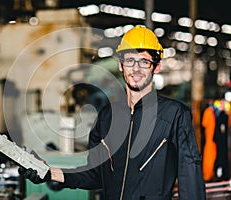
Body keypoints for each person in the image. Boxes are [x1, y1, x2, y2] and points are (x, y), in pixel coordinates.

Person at [18, 25, 206, 200]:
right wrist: (49, 172)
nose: (136, 68)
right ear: (120, 65)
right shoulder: (107, 117)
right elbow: (94, 175)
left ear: (156, 67)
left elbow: (190, 176)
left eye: (145, 62)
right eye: (130, 60)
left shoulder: (174, 115)